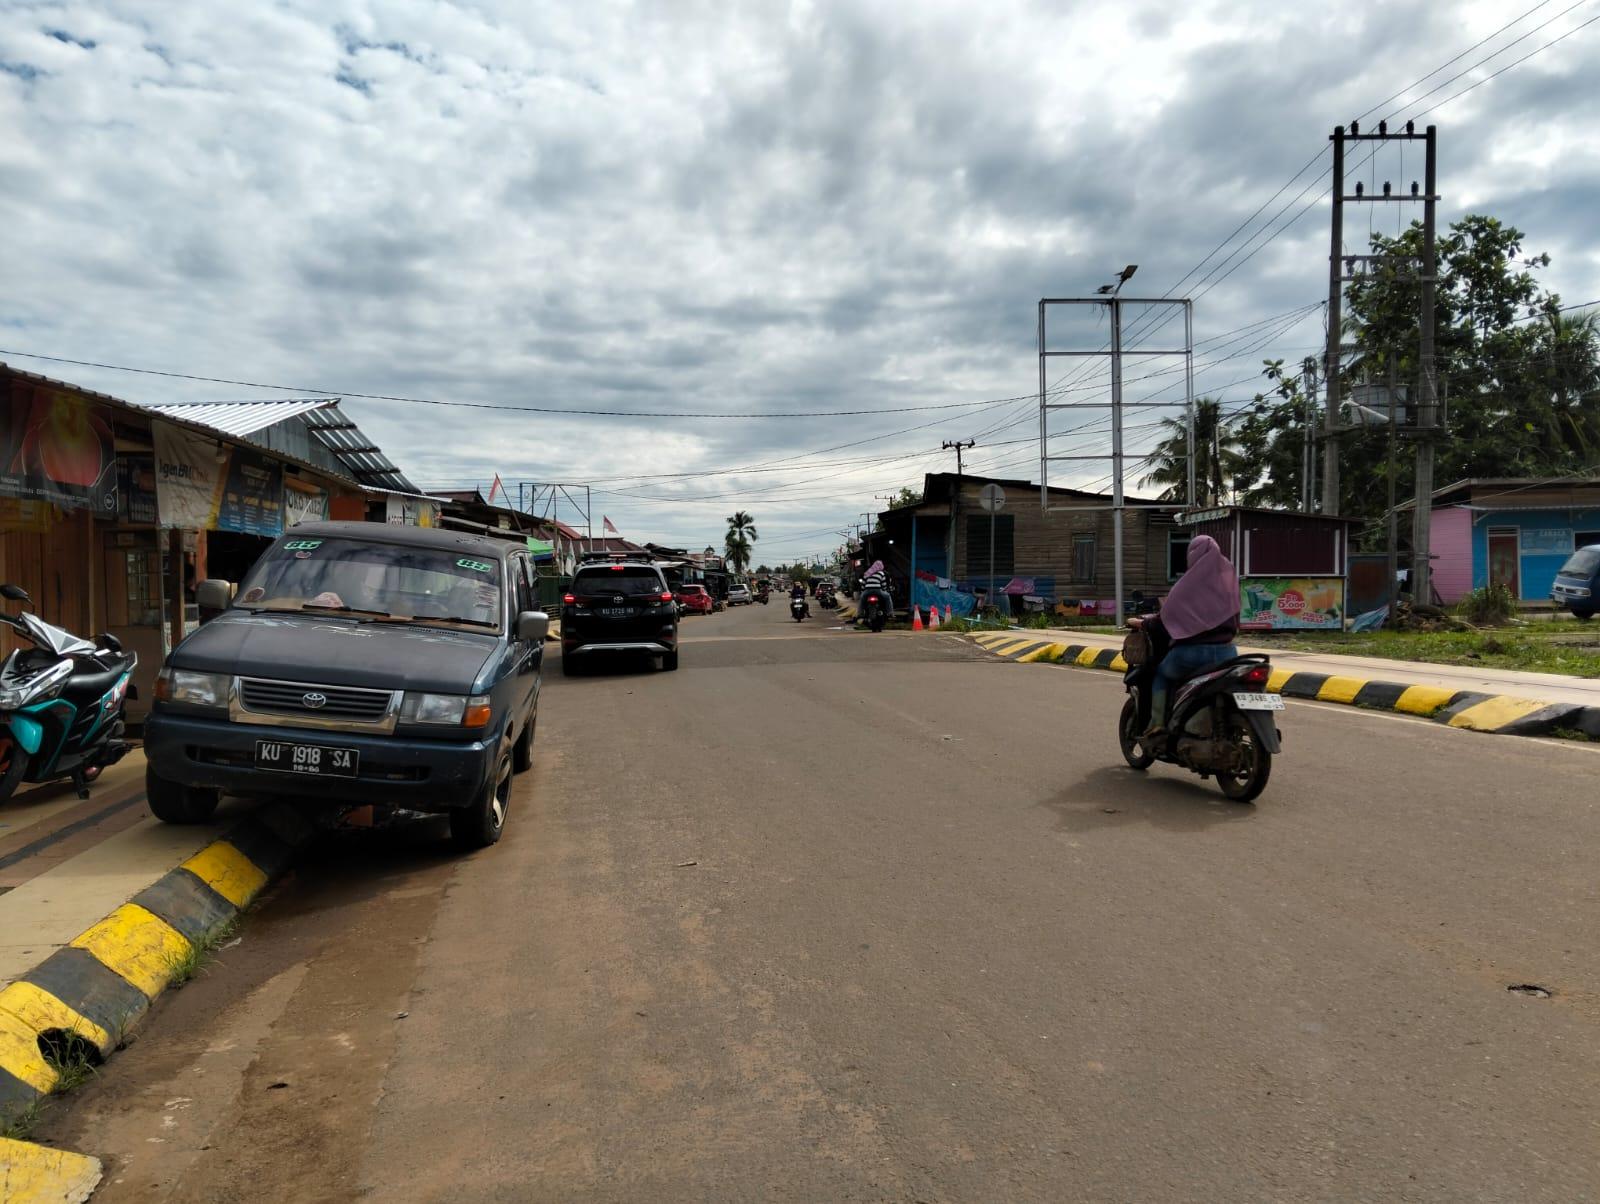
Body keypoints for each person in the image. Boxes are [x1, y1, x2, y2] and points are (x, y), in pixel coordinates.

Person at [1132, 534, 1240, 736]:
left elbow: (1164, 621)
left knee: (1162, 674)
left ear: (1192, 555)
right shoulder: (1228, 579)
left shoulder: (1186, 585)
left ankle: (1157, 724)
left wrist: (1143, 623)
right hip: (1228, 653)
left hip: (1192, 654)